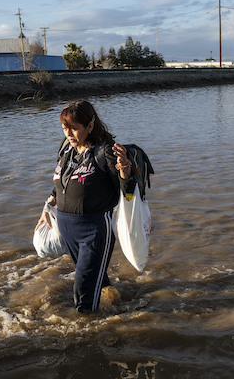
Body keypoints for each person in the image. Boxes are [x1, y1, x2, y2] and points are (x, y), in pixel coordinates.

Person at [42, 100, 136, 313]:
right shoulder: (67, 148)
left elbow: (127, 192)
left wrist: (125, 171)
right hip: (67, 228)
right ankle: (117, 304)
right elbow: (59, 182)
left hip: (93, 231)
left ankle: (89, 332)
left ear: (90, 126)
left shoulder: (107, 152)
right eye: (65, 128)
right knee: (96, 280)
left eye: (74, 128)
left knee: (83, 289)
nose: (69, 133)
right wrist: (47, 206)